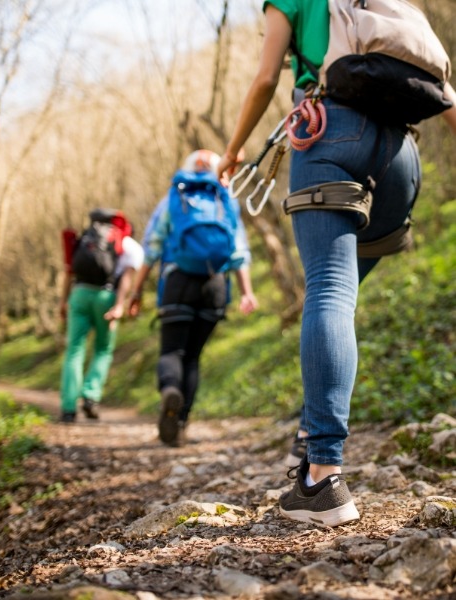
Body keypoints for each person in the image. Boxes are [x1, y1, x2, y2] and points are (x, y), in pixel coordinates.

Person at [217, 1, 456, 526]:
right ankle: (311, 429)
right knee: (338, 293)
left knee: (329, 289)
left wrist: (233, 150)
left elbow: (263, 80)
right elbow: (442, 92)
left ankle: (322, 477)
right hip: (401, 159)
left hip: (327, 133)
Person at [129, 150, 258, 447]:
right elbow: (239, 252)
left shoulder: (174, 198)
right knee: (194, 357)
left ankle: (170, 390)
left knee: (172, 351)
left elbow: (152, 247)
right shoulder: (226, 200)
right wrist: (247, 292)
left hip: (178, 281)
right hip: (214, 285)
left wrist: (136, 292)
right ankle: (182, 422)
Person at [59, 209, 144, 423]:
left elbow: (69, 271)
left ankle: (68, 408)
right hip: (105, 296)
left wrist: (63, 301)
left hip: (78, 294)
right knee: (103, 349)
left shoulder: (85, 238)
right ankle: (90, 395)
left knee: (74, 350)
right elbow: (127, 276)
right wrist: (119, 305)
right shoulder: (127, 244)